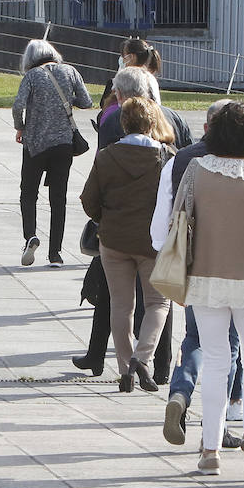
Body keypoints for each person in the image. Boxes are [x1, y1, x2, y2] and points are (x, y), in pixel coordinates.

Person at [161, 102, 244, 477]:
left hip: (205, 280)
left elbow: (178, 220)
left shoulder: (197, 171)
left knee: (217, 361)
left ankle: (209, 448)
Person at [80, 97, 174, 394]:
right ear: (151, 123)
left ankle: (124, 371)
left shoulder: (107, 156)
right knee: (158, 302)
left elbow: (88, 199)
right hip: (153, 241)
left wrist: (104, 219)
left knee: (121, 307)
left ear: (123, 123)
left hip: (115, 240)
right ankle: (142, 359)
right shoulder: (167, 157)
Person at [11, 39, 92, 267]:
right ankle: (55, 253)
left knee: (28, 193)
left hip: (35, 143)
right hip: (63, 144)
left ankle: (30, 237)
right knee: (58, 198)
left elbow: (18, 105)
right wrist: (66, 101)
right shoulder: (70, 71)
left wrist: (20, 126)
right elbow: (86, 101)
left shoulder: (32, 76)